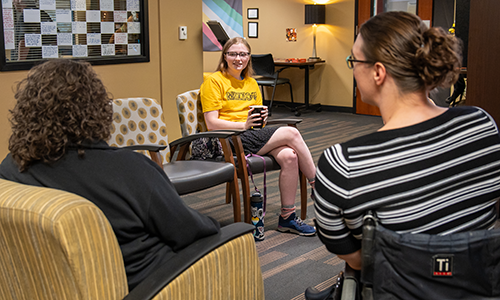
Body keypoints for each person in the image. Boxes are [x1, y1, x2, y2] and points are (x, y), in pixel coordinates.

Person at [0, 59, 220, 290]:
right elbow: (191, 231)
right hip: (152, 287)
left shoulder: (11, 168)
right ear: (97, 109)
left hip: (50, 287)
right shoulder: (130, 170)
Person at [314, 11, 500, 271]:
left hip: (400, 288)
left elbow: (356, 260)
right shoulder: (481, 124)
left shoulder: (343, 163)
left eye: (353, 60)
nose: (352, 67)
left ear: (378, 72)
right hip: (478, 282)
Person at [200, 37, 316, 236]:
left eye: (243, 54)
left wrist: (260, 119)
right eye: (233, 54)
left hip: (250, 135)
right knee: (292, 132)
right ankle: (318, 185)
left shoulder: (252, 83)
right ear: (225, 56)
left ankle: (287, 218)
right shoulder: (214, 81)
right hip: (226, 139)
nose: (238, 58)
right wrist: (242, 124)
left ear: (249, 57)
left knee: (289, 156)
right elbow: (211, 123)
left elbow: (257, 121)